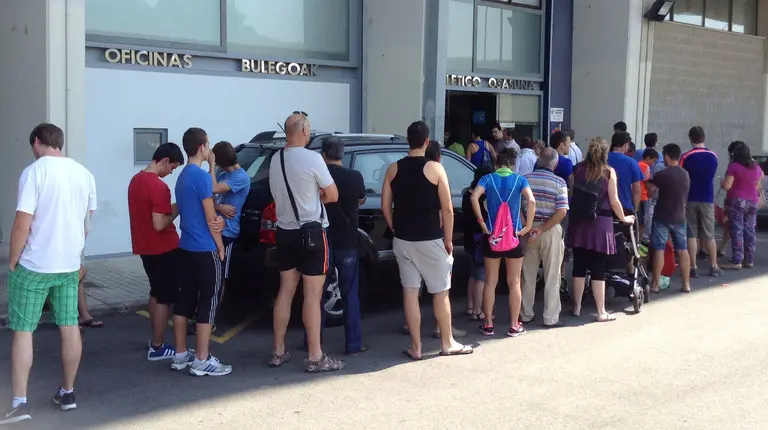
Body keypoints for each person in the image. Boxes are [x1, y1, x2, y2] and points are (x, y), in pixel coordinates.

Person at [2, 123, 97, 423]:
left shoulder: (34, 172)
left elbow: (22, 223)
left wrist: (13, 261)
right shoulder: (84, 174)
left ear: (37, 142)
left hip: (35, 264)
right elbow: (86, 223)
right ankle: (67, 393)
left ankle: (19, 403)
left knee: (24, 330)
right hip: (68, 265)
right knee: (69, 325)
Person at [382, 120, 472, 360]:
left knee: (410, 292)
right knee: (441, 292)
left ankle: (416, 346)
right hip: (430, 238)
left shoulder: (393, 168)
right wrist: (449, 240)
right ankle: (447, 342)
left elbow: (385, 206)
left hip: (403, 240)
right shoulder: (435, 169)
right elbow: (448, 209)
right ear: (427, 141)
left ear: (408, 140)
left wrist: (394, 226)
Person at [268, 114, 342, 372]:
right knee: (312, 295)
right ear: (303, 132)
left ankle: (278, 351)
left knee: (285, 291)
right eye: (308, 129)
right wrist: (316, 195)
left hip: (284, 231)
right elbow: (332, 195)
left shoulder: (274, 159)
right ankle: (315, 356)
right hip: (311, 232)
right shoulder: (312, 159)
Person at [171, 128, 231, 376]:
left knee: (185, 300)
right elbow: (210, 217)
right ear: (202, 147)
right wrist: (220, 246)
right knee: (208, 299)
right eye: (207, 145)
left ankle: (181, 353)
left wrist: (212, 165)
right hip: (205, 248)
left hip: (185, 247)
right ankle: (202, 358)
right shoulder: (203, 178)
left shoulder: (183, 176)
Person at [127, 143, 185, 361]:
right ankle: (158, 346)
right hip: (164, 248)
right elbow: (160, 223)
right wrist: (178, 208)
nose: (170, 172)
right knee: (165, 297)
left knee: (156, 292)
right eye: (172, 167)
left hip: (145, 247)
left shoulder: (136, 180)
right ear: (164, 161)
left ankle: (155, 339)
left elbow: (151, 212)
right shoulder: (159, 187)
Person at [567, 137, 635, 322]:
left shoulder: (578, 169)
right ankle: (601, 312)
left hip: (579, 223)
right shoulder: (608, 172)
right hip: (601, 225)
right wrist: (624, 218)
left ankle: (577, 307)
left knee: (579, 267)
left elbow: (573, 194)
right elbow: (614, 201)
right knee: (598, 269)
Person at [471, 148, 536, 337]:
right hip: (514, 236)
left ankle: (488, 324)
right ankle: (514, 325)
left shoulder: (488, 179)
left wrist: (482, 223)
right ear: (513, 164)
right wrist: (527, 226)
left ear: (497, 162)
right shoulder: (520, 180)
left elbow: (474, 197)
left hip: (492, 236)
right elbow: (531, 201)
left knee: (490, 281)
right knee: (514, 282)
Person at [319, 136, 368, 354]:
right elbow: (362, 198)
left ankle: (312, 340)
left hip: (324, 241)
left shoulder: (318, 178)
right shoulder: (354, 176)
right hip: (348, 241)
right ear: (343, 154)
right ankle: (354, 343)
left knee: (316, 295)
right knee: (350, 294)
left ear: (323, 154)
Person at [521, 148, 568, 327]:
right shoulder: (559, 182)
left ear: (538, 161)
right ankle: (550, 317)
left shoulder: (525, 179)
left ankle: (525, 313)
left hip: (528, 231)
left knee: (527, 275)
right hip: (550, 231)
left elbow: (517, 206)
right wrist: (542, 228)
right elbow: (562, 211)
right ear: (555, 163)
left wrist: (528, 225)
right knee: (552, 275)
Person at [646, 144, 691, 293]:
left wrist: (647, 181)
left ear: (666, 156)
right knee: (683, 250)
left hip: (662, 217)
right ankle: (686, 284)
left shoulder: (662, 175)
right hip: (680, 217)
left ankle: (655, 284)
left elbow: (651, 192)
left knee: (659, 249)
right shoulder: (685, 174)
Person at [210, 141, 251, 300]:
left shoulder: (241, 177)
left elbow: (213, 189)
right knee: (209, 273)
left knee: (219, 275)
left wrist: (211, 166)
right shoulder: (222, 174)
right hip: (215, 227)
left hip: (227, 232)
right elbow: (207, 194)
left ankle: (213, 314)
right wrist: (219, 207)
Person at [680, 126, 721, 278]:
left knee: (691, 234)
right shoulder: (713, 156)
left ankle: (693, 267)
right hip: (707, 198)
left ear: (690, 138)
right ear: (704, 138)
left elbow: (682, 176)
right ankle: (713, 266)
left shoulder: (686, 157)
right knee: (709, 234)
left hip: (690, 198)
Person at [720, 141, 763, 270]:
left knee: (737, 230)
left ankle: (737, 260)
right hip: (753, 201)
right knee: (750, 230)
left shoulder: (734, 166)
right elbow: (761, 177)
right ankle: (749, 260)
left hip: (737, 201)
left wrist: (722, 183)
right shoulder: (755, 166)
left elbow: (727, 186)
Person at [462, 165, 494, 320]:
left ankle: (470, 305)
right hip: (480, 237)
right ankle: (477, 310)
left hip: (468, 237)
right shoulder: (484, 196)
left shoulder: (466, 193)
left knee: (473, 274)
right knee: (481, 276)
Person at [608, 131, 643, 214]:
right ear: (625, 144)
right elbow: (636, 189)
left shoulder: (603, 159)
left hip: (603, 207)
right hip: (625, 206)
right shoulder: (632, 163)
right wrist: (635, 208)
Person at [637, 148, 657, 242]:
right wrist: (652, 192)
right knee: (642, 222)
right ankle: (639, 243)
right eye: (653, 161)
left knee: (638, 221)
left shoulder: (636, 164)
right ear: (648, 158)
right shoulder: (645, 166)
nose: (653, 163)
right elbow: (647, 183)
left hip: (636, 196)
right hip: (643, 196)